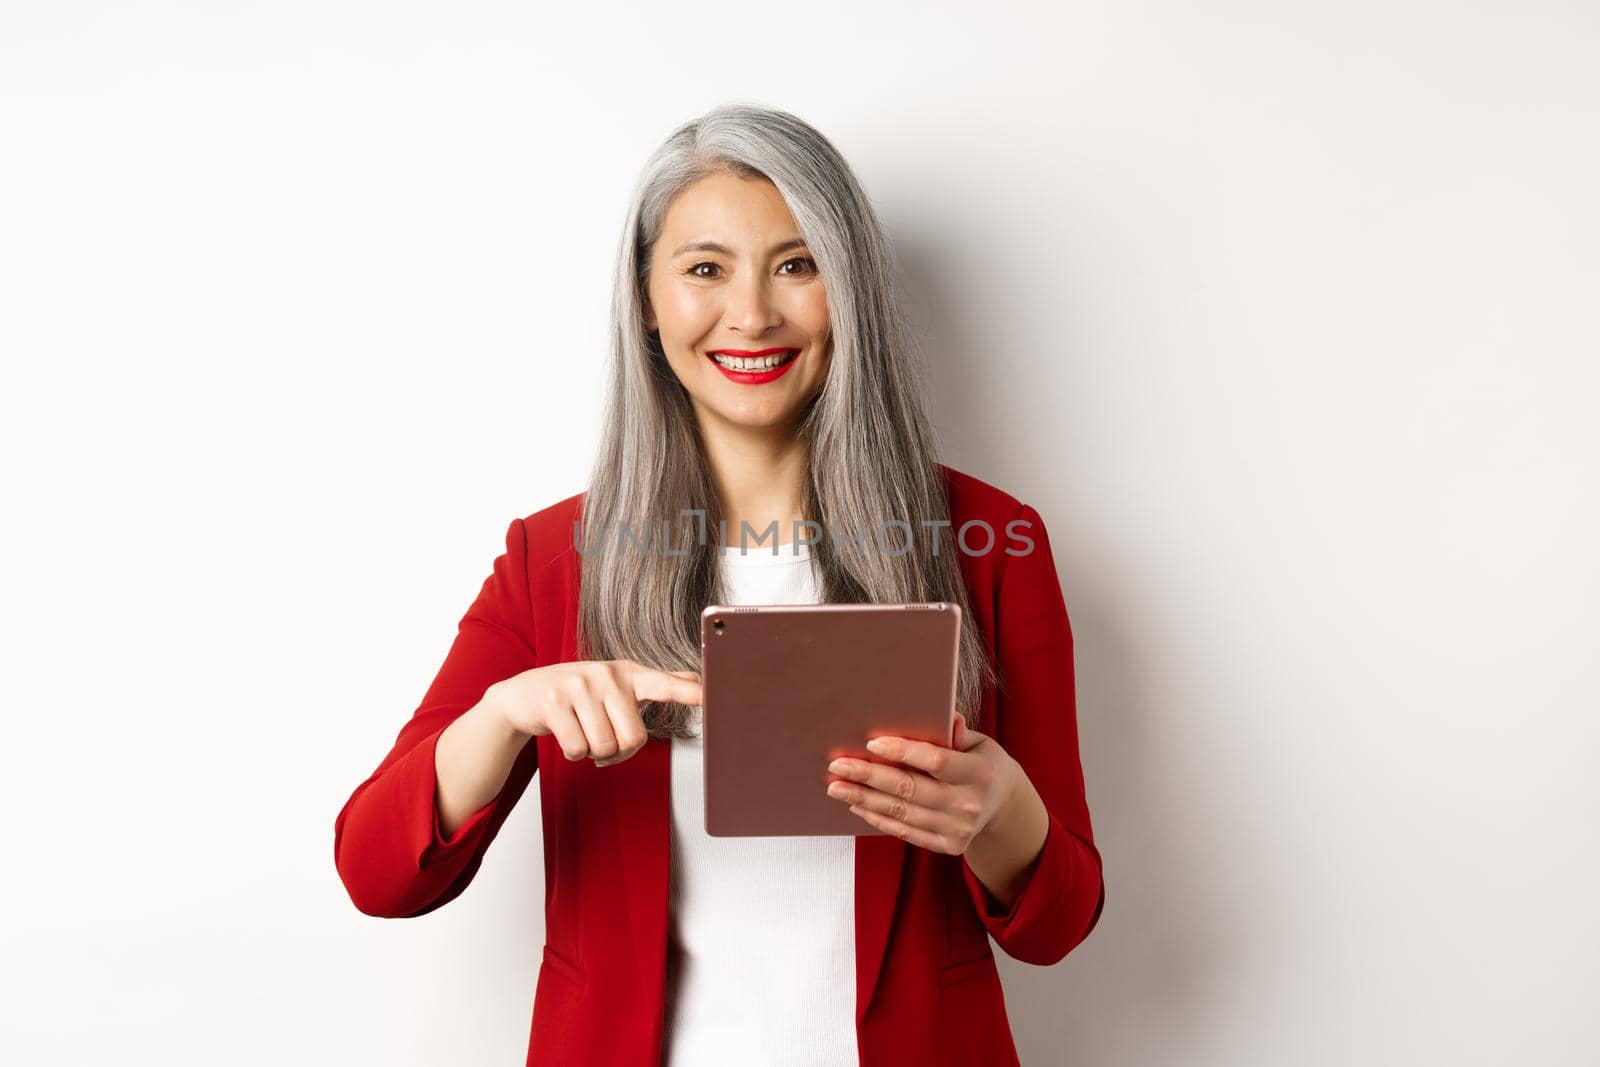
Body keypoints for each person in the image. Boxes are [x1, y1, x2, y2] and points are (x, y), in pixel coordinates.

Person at [333, 102, 1105, 1067]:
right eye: (706, 269)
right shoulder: (552, 560)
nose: (752, 314)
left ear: (848, 290)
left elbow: (1059, 924)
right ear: (648, 303)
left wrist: (999, 813)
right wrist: (500, 716)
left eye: (797, 264)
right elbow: (377, 873)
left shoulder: (992, 544)